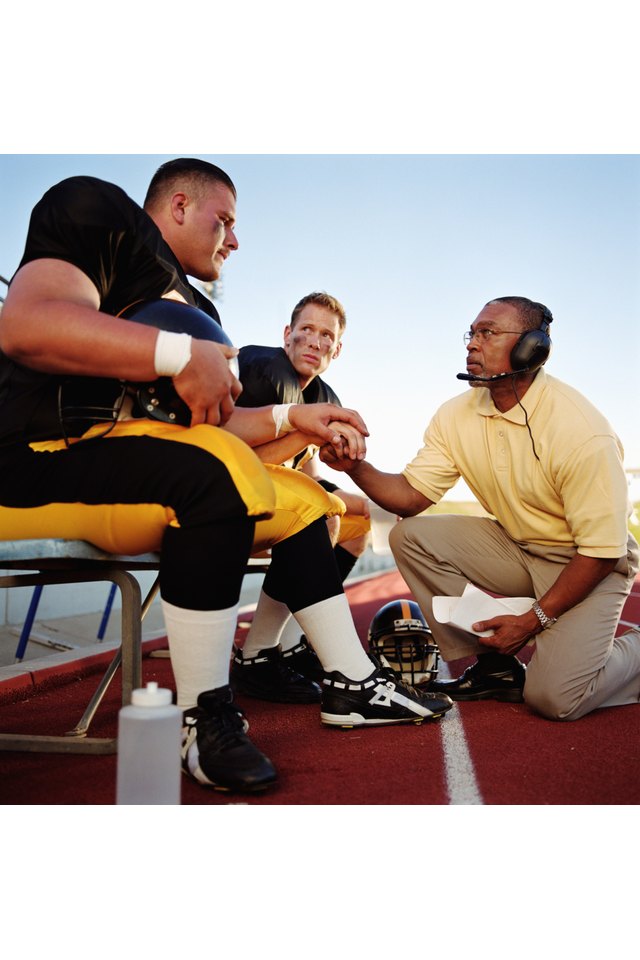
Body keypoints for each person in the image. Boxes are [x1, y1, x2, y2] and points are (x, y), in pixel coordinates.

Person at [0, 158, 453, 794]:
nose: (234, 240)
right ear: (180, 205)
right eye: (227, 221)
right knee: (217, 474)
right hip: (38, 454)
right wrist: (179, 353)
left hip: (133, 459)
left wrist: (300, 417)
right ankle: (202, 712)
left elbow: (210, 427)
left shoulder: (192, 303)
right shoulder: (97, 211)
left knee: (303, 497)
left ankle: (347, 678)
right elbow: (24, 325)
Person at [320, 295, 640, 721]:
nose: (472, 343)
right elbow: (411, 497)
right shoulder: (455, 414)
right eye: (471, 333)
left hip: (587, 563)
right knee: (410, 536)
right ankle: (496, 669)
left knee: (556, 700)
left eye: (487, 332)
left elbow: (602, 552)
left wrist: (532, 621)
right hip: (520, 548)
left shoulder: (580, 430)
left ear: (532, 348)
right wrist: (356, 467)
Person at [232, 291, 371, 699]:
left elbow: (305, 472)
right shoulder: (263, 369)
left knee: (357, 520)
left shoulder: (324, 396)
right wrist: (307, 433)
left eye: (326, 335)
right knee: (322, 513)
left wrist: (347, 470)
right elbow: (244, 461)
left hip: (276, 497)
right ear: (288, 333)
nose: (315, 341)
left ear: (337, 349)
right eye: (307, 329)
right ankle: (258, 653)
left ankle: (291, 643)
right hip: (225, 490)